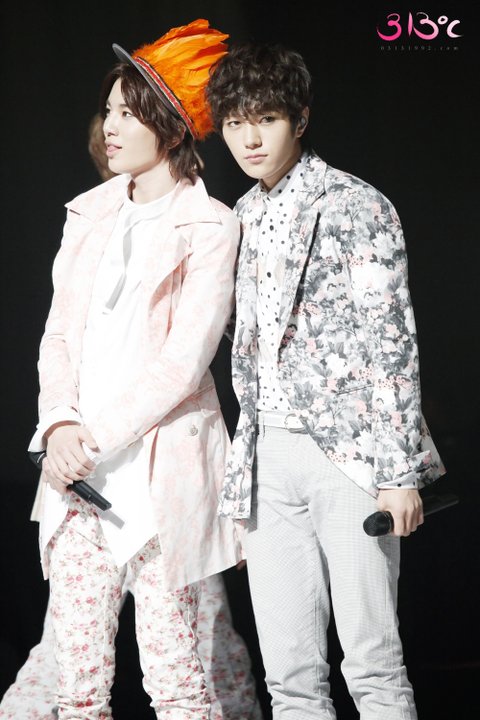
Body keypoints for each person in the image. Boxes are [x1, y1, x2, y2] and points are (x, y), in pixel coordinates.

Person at [207, 42, 445, 719]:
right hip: (266, 457)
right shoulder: (242, 215)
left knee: (373, 666)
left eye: (267, 119)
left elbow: (392, 340)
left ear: (300, 118)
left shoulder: (354, 204)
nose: (250, 138)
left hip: (349, 457)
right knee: (289, 678)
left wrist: (398, 471)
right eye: (235, 122)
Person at [0, 107, 261, 720]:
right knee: (77, 687)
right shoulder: (89, 212)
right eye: (110, 111)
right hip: (76, 480)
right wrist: (58, 423)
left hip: (159, 480)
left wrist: (87, 439)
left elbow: (184, 362)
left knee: (178, 686)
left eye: (128, 113)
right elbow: (57, 335)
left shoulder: (211, 224)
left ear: (169, 128)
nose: (110, 127)